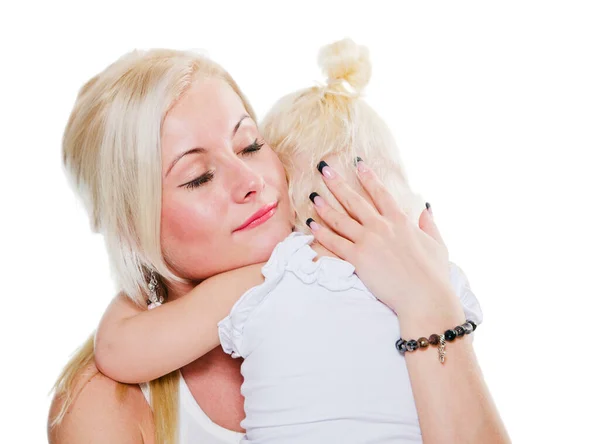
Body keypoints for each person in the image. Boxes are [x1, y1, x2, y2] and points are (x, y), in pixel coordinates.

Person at [49, 45, 510, 444]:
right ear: (132, 227)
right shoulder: (104, 403)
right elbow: (119, 348)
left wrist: (430, 305)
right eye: (198, 177)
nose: (251, 180)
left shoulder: (380, 284)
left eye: (250, 145)